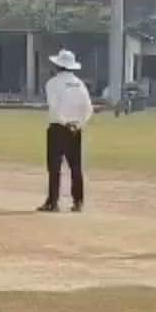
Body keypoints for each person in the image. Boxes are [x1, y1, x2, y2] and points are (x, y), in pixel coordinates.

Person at [37, 49, 93, 213]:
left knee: (54, 167)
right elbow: (88, 108)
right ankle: (78, 202)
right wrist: (78, 124)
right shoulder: (79, 83)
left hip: (58, 128)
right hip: (76, 128)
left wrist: (65, 122)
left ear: (57, 66)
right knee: (76, 166)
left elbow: (54, 106)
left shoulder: (52, 83)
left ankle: (52, 202)